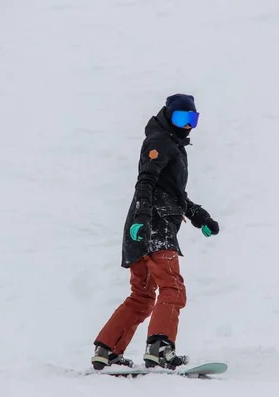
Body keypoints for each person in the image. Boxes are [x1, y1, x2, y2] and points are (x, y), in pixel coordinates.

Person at [91, 94, 220, 370]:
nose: (187, 126)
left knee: (142, 295)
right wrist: (143, 218)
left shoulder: (169, 143)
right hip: (153, 227)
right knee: (172, 288)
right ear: (168, 116)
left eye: (192, 120)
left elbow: (175, 195)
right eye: (181, 119)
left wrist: (200, 217)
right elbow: (146, 181)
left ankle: (108, 350)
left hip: (140, 230)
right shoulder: (160, 141)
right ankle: (160, 349)